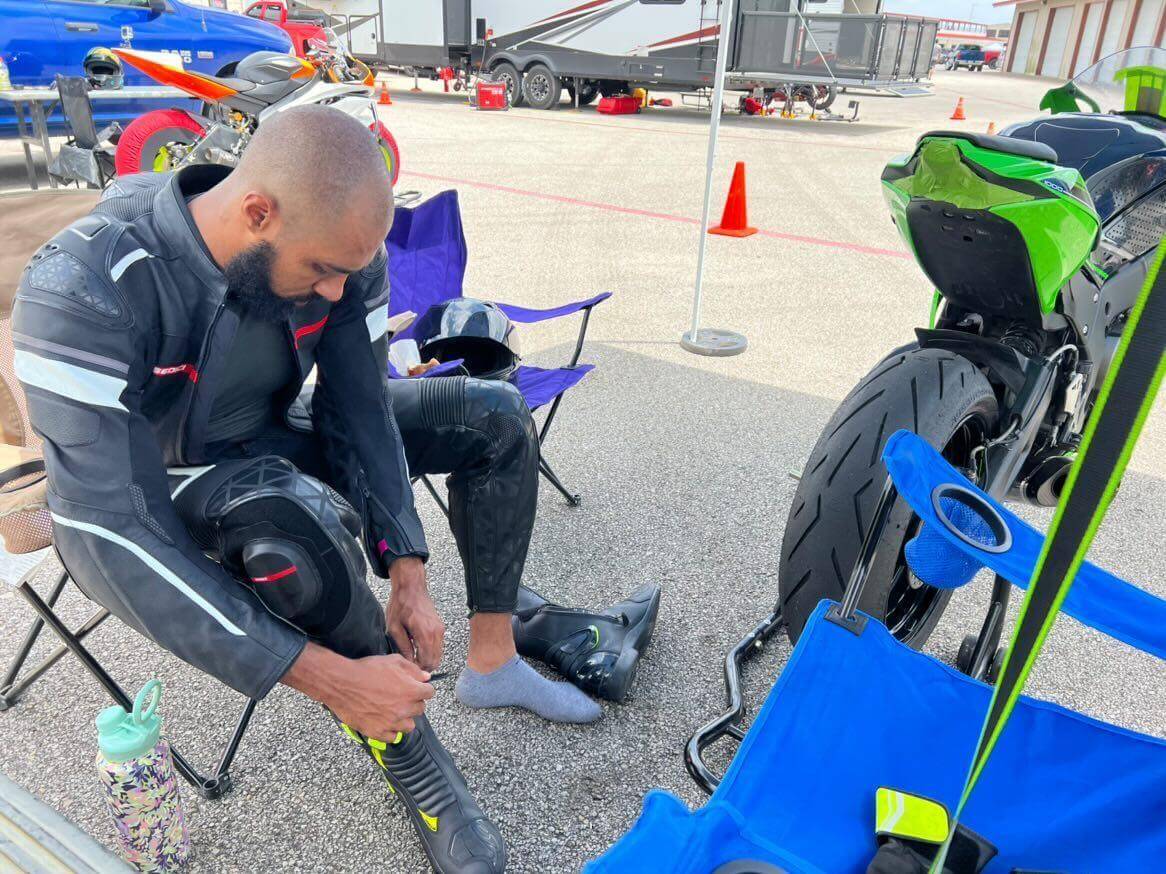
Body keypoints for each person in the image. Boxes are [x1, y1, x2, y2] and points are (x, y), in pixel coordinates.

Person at [14, 105, 659, 873]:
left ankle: (493, 660)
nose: (333, 292)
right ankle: (408, 752)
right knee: (296, 519)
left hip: (275, 427)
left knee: (494, 415)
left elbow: (359, 402)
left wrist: (408, 570)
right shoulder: (86, 282)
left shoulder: (341, 253)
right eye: (320, 271)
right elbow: (101, 531)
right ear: (257, 213)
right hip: (167, 480)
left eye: (347, 274)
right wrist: (335, 681)